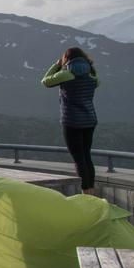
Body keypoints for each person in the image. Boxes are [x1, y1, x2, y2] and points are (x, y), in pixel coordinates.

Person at [42, 47, 100, 195]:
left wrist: (57, 65)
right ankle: (91, 191)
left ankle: (86, 194)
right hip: (89, 120)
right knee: (86, 156)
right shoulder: (91, 75)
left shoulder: (66, 74)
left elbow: (45, 82)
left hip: (72, 122)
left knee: (79, 159)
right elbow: (97, 83)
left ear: (67, 59)